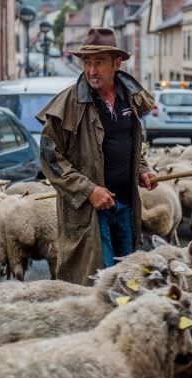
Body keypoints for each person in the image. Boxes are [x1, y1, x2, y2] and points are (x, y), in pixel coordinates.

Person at [37, 27, 156, 285]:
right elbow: (49, 157)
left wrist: (141, 169)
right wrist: (89, 190)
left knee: (128, 278)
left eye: (99, 63)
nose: (91, 70)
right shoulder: (69, 103)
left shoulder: (130, 98)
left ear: (117, 63)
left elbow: (131, 143)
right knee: (96, 283)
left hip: (124, 204)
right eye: (87, 63)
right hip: (89, 212)